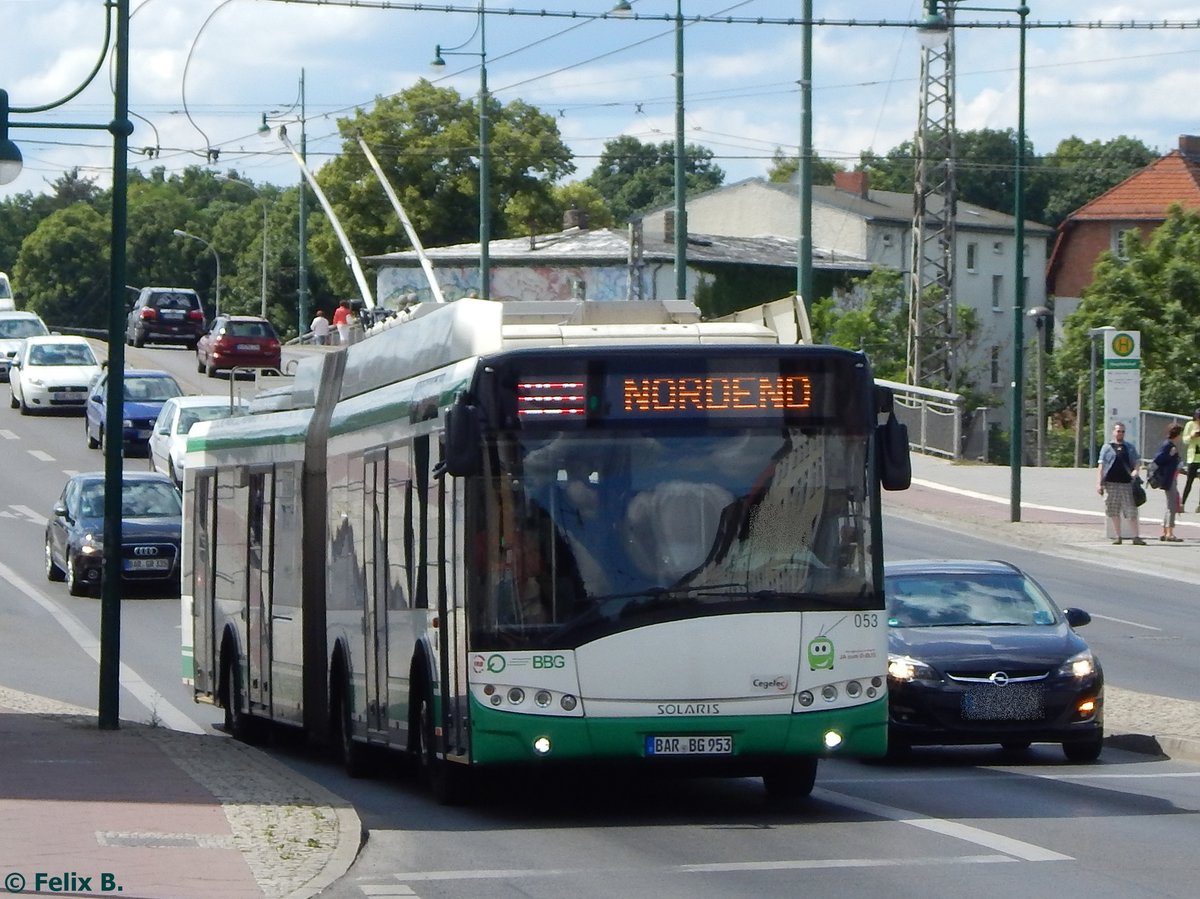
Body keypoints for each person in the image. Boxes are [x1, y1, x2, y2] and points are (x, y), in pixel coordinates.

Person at [1097, 422, 1145, 545]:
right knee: (1113, 510)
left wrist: (1136, 471)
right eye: (1118, 431)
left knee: (1131, 510)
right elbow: (1101, 466)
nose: (1120, 434)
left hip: (1126, 483)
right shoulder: (1107, 447)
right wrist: (1099, 483)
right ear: (1113, 432)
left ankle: (1136, 536)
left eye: (1123, 431)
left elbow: (1137, 461)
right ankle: (1118, 536)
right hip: (1111, 483)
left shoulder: (1129, 447)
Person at [1152, 424, 1184, 542]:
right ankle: (1169, 532)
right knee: (1172, 505)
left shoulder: (1170, 445)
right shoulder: (1168, 445)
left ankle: (1165, 531)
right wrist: (1170, 455)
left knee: (1170, 505)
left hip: (1171, 477)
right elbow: (1158, 459)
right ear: (1177, 435)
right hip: (1169, 478)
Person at [1181, 408, 1200, 512]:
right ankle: (1182, 503)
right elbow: (1185, 440)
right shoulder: (1190, 424)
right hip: (1193, 457)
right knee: (1189, 481)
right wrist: (1192, 436)